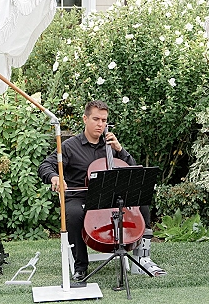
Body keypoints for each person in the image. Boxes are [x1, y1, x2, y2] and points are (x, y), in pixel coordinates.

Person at [38, 100, 159, 281]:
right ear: (85, 119)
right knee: (72, 213)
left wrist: (120, 150)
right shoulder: (70, 146)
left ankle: (143, 258)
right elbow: (46, 165)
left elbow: (133, 170)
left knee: (141, 202)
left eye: (104, 120)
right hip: (81, 196)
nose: (100, 124)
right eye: (96, 119)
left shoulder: (111, 145)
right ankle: (80, 266)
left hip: (110, 194)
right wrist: (54, 177)